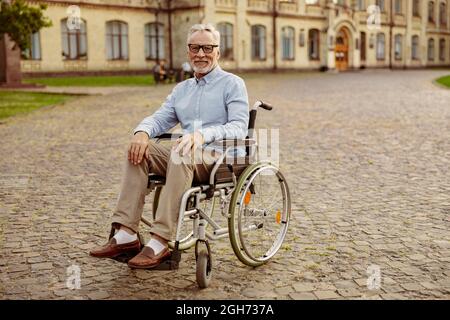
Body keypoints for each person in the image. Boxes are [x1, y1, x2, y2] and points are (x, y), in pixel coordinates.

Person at [90, 23, 249, 269]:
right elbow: (160, 118)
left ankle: (160, 240)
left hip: (220, 156)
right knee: (140, 150)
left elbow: (239, 127)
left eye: (208, 48)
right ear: (188, 52)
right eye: (195, 48)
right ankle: (126, 235)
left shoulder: (232, 84)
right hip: (185, 153)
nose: (201, 54)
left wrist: (201, 135)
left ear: (218, 51)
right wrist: (142, 132)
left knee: (180, 152)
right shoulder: (181, 89)